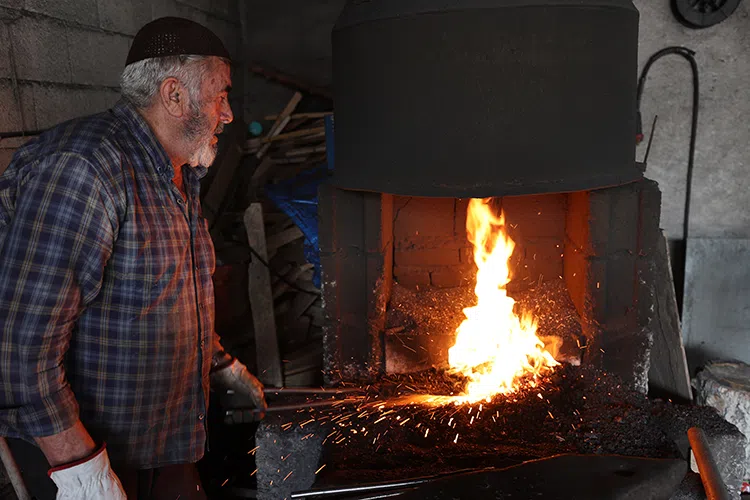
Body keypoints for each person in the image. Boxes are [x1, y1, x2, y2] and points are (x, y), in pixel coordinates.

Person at [0, 17, 267, 500]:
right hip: (88, 458)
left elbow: (169, 292)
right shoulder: (85, 169)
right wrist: (80, 469)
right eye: (220, 95)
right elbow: (21, 348)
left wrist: (220, 364)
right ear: (173, 95)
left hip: (165, 445)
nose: (227, 113)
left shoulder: (176, 173)